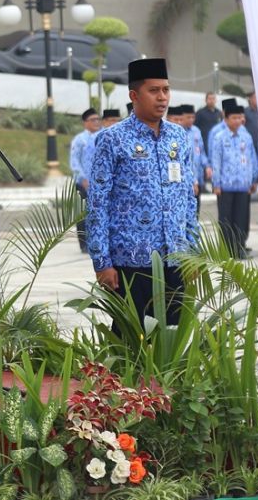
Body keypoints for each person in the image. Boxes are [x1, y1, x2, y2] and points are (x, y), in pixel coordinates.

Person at [86, 58, 197, 328]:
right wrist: (102, 262)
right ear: (134, 95)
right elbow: (97, 203)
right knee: (132, 342)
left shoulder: (179, 137)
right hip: (131, 261)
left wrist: (193, 252)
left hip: (175, 259)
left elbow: (188, 198)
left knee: (172, 340)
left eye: (166, 90)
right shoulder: (112, 139)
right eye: (154, 90)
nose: (162, 98)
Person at [209, 103, 257, 259]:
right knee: (226, 219)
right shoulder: (219, 138)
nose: (238, 121)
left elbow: (252, 159)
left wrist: (253, 179)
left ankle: (240, 248)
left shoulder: (246, 136)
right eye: (234, 118)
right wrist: (216, 184)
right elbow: (216, 162)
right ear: (226, 118)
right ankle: (227, 250)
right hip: (225, 186)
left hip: (243, 185)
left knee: (241, 219)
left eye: (240, 118)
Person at [70, 108, 102, 254]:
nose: (96, 122)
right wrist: (82, 178)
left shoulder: (104, 136)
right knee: (83, 214)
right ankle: (84, 244)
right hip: (83, 183)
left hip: (100, 183)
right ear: (85, 122)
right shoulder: (79, 140)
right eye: (93, 120)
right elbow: (74, 160)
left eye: (97, 119)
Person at [178, 105, 206, 212]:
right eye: (188, 117)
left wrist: (207, 166)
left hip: (198, 175)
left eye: (192, 117)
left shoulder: (196, 131)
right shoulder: (178, 132)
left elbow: (201, 150)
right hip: (186, 178)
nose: (191, 120)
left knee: (196, 209)